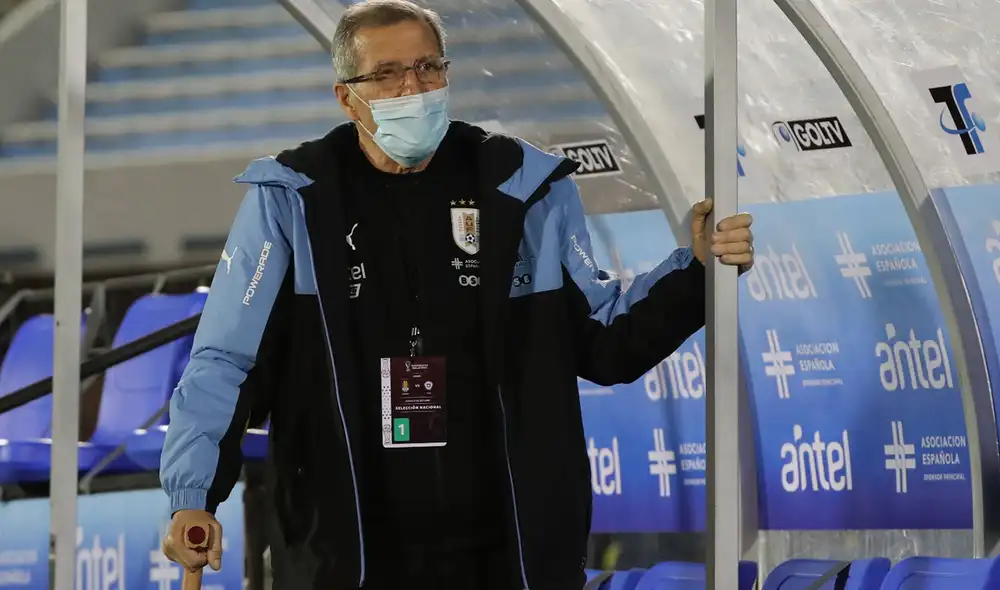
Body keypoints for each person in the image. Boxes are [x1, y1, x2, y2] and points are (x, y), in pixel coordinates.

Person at [159, 1, 754, 588]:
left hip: (510, 553)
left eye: (428, 67)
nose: (413, 87)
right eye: (387, 74)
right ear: (347, 97)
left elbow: (604, 340)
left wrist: (696, 270)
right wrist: (193, 496)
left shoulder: (519, 185)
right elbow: (226, 361)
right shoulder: (291, 199)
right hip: (345, 554)